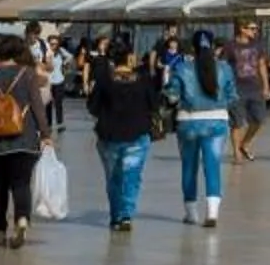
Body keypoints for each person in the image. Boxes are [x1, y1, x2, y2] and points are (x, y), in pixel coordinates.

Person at [0, 34, 50, 248]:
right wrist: (46, 134)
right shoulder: (28, 74)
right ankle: (22, 219)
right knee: (21, 182)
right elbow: (37, 106)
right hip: (24, 138)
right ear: (18, 52)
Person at [84, 37, 161, 231]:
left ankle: (115, 215)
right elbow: (155, 105)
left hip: (109, 136)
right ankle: (126, 214)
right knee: (132, 176)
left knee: (113, 177)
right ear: (129, 58)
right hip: (137, 135)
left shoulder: (104, 79)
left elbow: (92, 107)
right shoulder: (143, 79)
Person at [162, 31, 236, 227]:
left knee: (189, 167)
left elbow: (172, 95)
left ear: (192, 48)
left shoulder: (182, 68)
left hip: (189, 121)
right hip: (217, 121)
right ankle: (212, 213)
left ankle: (191, 213)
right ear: (212, 46)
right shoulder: (224, 68)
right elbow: (232, 96)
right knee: (213, 166)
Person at [225, 20, 270, 163]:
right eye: (252, 28)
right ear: (242, 29)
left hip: (255, 88)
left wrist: (266, 86)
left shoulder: (257, 45)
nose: (255, 31)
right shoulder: (230, 46)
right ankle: (237, 153)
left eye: (256, 28)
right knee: (237, 123)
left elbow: (261, 65)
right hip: (236, 89)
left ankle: (245, 143)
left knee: (259, 120)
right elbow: (223, 67)